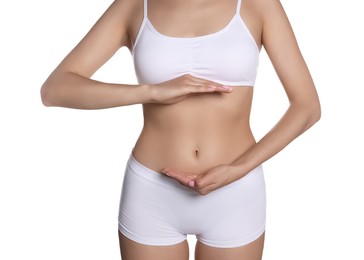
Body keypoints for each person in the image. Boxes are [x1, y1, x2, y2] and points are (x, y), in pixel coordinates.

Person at [40, 0, 321, 259]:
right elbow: (56, 89)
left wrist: (239, 169)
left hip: (235, 191)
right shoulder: (135, 5)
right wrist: (152, 92)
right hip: (152, 192)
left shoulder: (257, 4)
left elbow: (307, 107)